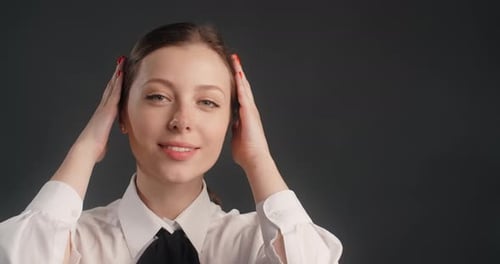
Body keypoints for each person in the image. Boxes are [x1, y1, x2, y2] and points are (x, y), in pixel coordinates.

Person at [0, 22, 342, 263]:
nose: (182, 120)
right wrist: (86, 148)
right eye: (158, 96)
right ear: (120, 113)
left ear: (233, 122)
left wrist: (258, 158)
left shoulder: (258, 244)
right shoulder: (75, 242)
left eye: (208, 102)